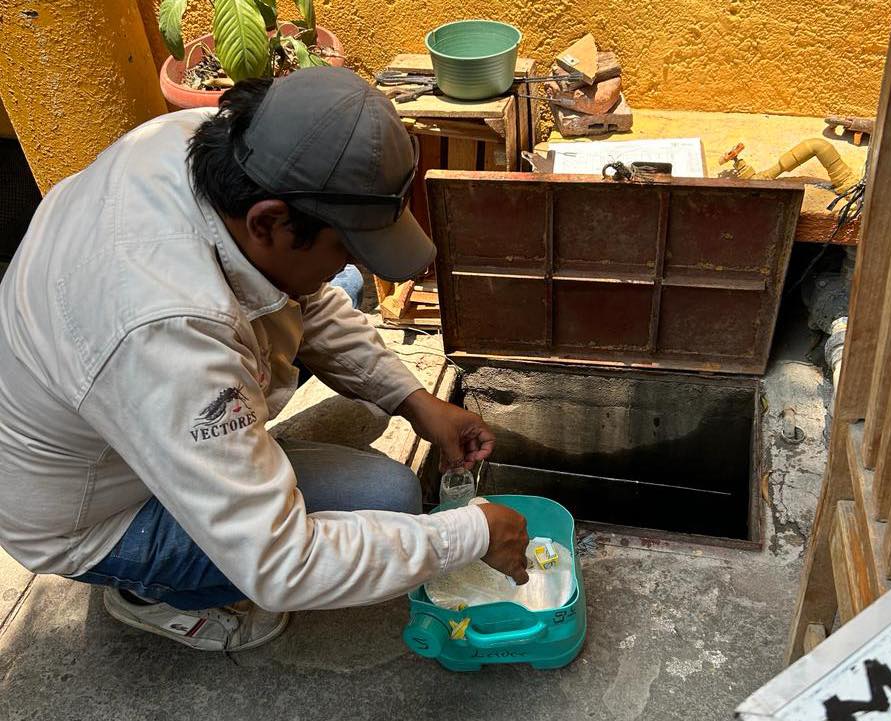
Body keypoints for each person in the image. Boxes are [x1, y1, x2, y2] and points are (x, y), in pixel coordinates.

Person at [0, 67, 530, 652]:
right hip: (92, 515)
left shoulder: (218, 145)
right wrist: (467, 535)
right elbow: (283, 566)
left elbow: (308, 296)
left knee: (342, 288)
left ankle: (217, 473)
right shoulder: (168, 332)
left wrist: (414, 400)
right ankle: (147, 591)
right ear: (268, 221)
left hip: (116, 406)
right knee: (389, 499)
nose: (363, 263)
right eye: (349, 243)